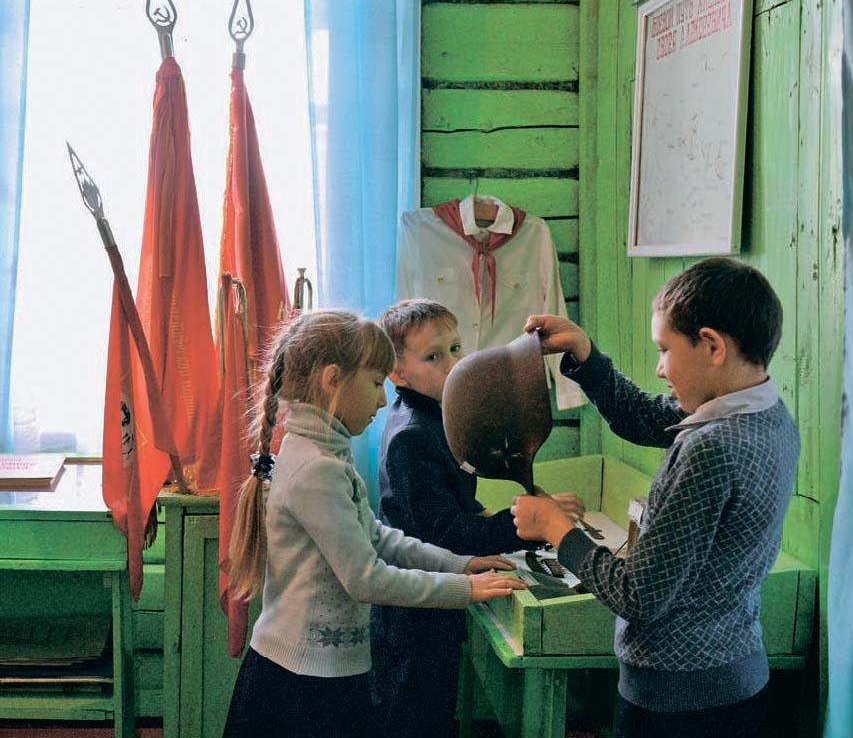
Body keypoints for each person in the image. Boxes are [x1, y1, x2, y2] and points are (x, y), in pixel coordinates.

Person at [512, 258, 799, 738]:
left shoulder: (711, 447)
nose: (659, 368)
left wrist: (557, 529)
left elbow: (639, 596)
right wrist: (586, 355)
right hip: (734, 677)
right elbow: (646, 417)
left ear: (712, 347)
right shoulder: (765, 414)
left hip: (680, 705)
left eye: (665, 350)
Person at [221, 309, 526, 738]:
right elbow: (365, 578)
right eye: (375, 382)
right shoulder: (316, 469)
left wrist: (458, 564)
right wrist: (464, 590)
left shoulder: (323, 452)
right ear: (332, 380)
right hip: (302, 683)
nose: (383, 401)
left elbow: (377, 536)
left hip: (322, 672)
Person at [369, 298, 584, 738]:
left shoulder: (438, 415)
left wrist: (521, 512)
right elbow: (449, 533)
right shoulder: (413, 437)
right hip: (415, 609)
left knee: (432, 706)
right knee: (414, 716)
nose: (453, 364)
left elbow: (453, 505)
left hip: (432, 593)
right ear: (397, 373)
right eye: (433, 357)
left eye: (455, 348)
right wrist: (529, 524)